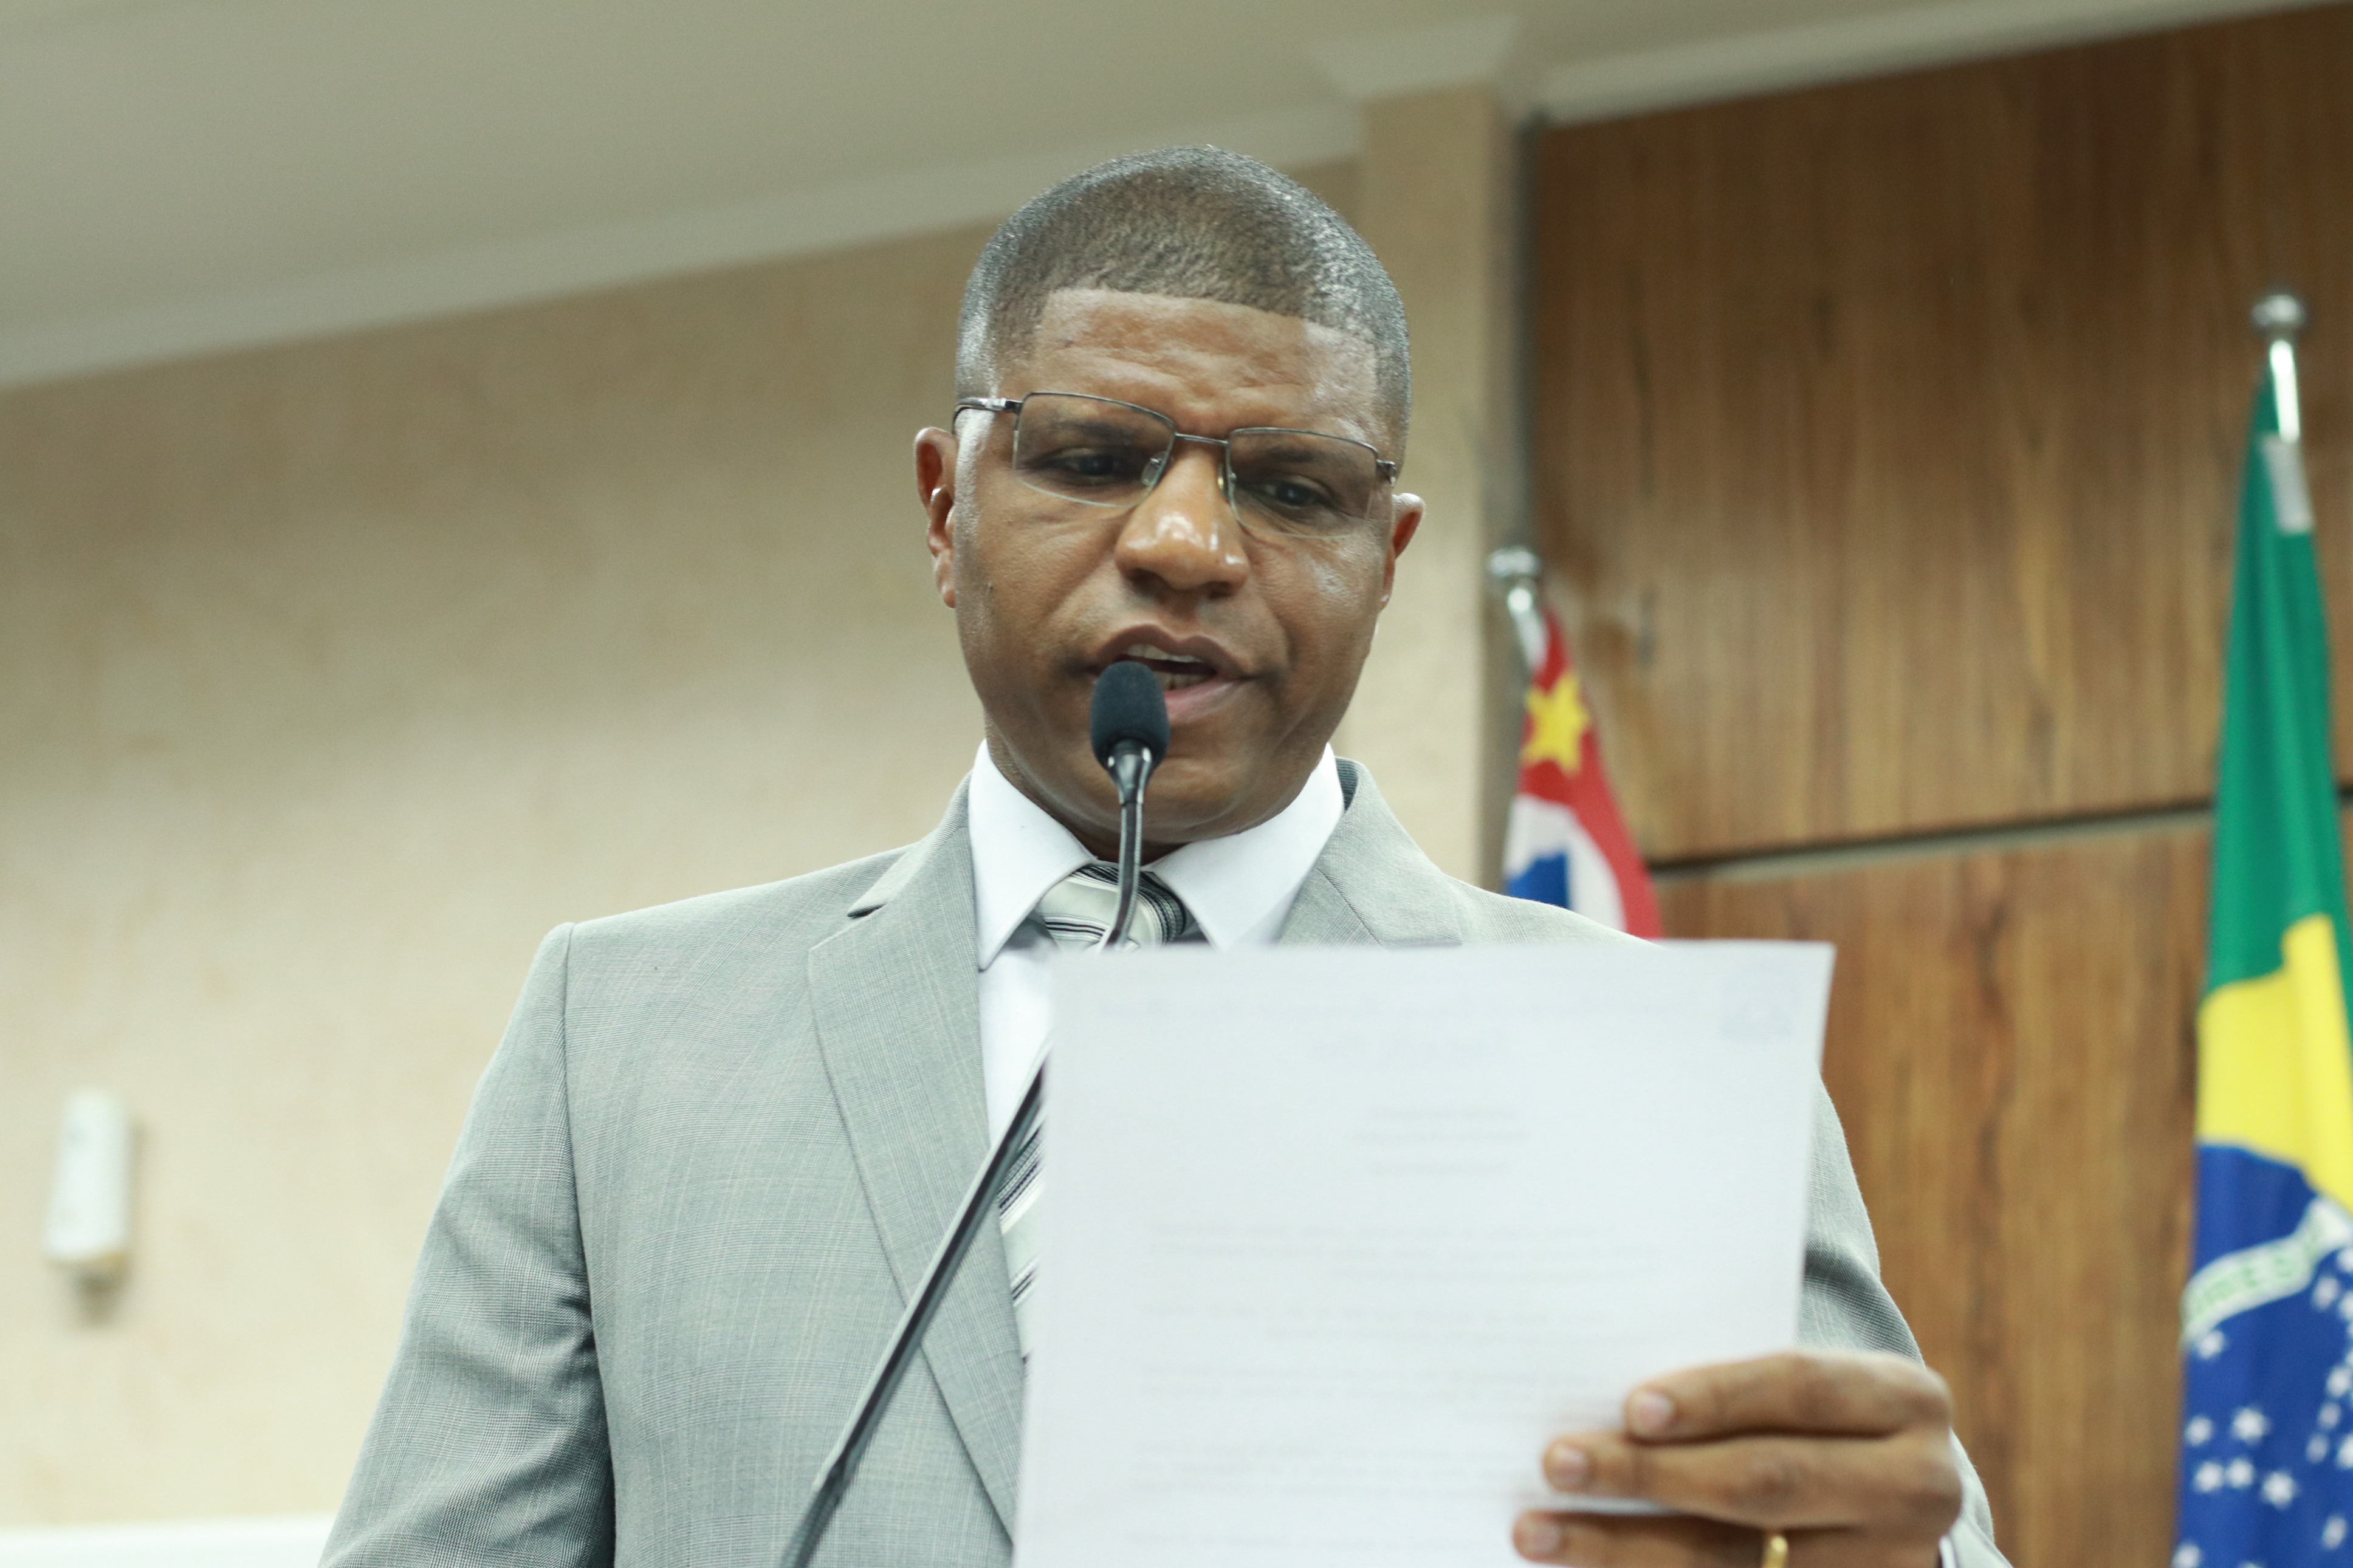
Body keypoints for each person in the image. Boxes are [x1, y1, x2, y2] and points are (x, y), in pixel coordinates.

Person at [323, 147, 2005, 1568]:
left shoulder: (1645, 1059)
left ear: (1388, 557)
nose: (1186, 544)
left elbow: (1858, 1529)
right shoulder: (620, 1036)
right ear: (946, 508)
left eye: (1293, 488)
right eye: (1092, 459)